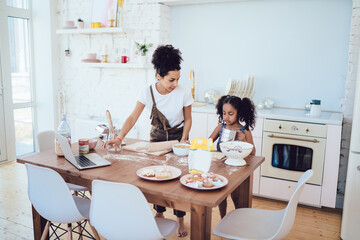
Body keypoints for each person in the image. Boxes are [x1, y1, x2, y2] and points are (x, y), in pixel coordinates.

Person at [103, 44, 193, 237]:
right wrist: (119, 138)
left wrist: (184, 140)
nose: (175, 83)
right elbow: (132, 117)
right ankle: (159, 214)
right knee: (157, 179)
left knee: (178, 183)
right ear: (158, 75)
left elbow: (188, 118)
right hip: (157, 139)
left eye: (178, 79)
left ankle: (180, 219)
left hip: (179, 140)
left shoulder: (184, 92)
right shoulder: (148, 92)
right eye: (171, 79)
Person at [209, 95, 256, 218]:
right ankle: (223, 218)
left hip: (237, 170)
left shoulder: (244, 131)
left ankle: (238, 219)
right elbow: (208, 142)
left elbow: (253, 152)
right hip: (221, 168)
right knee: (221, 196)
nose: (226, 117)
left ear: (239, 113)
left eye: (230, 113)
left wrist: (245, 140)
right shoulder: (221, 127)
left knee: (237, 196)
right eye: (224, 113)